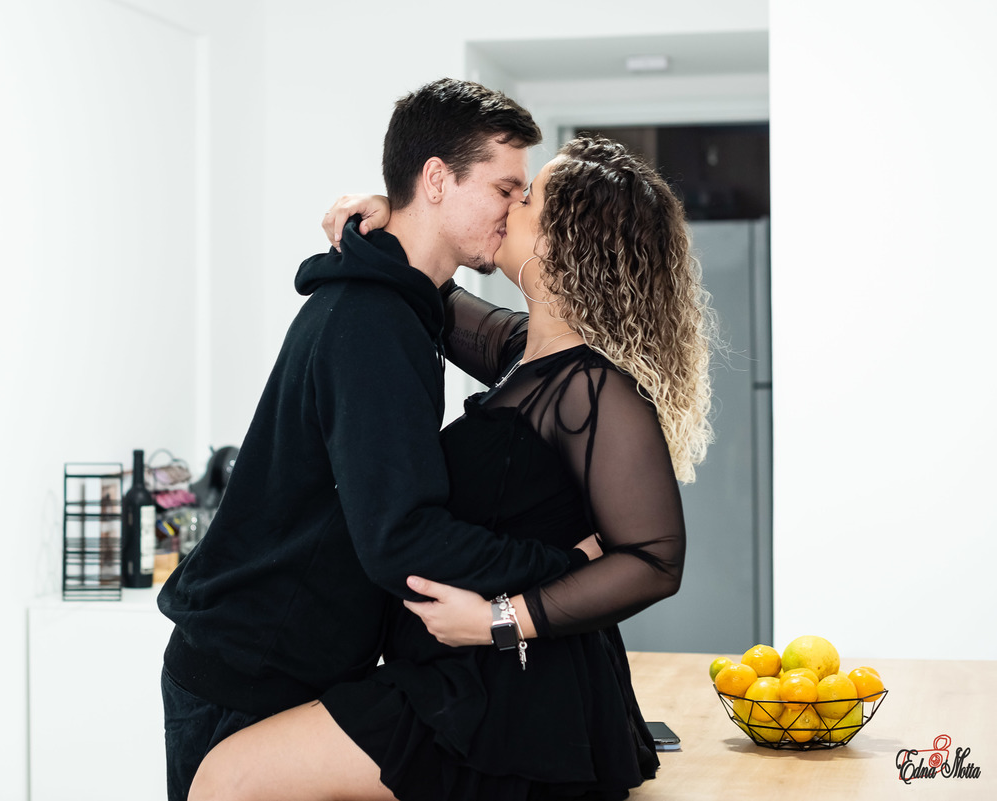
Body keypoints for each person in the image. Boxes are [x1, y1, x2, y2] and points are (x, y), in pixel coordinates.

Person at [188, 135, 714, 801]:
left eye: (526, 198)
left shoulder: (595, 388)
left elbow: (656, 559)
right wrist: (400, 216)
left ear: (564, 242)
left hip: (506, 692)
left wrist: (501, 619)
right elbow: (426, 283)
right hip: (458, 674)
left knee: (229, 778)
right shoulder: (525, 353)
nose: (509, 206)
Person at [156, 78, 595, 801]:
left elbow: (525, 345)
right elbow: (404, 539)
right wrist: (567, 566)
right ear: (437, 180)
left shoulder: (402, 305)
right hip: (250, 674)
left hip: (295, 664)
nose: (516, 210)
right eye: (505, 189)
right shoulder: (373, 322)